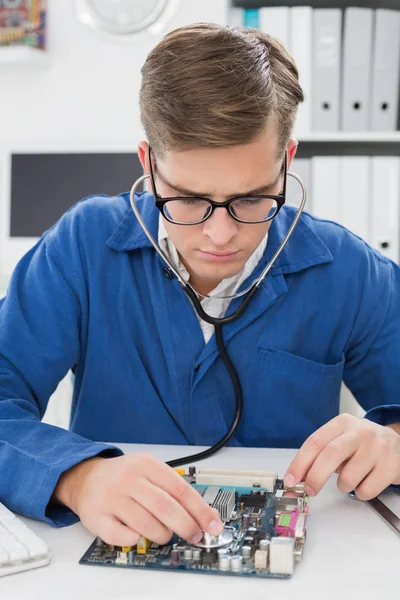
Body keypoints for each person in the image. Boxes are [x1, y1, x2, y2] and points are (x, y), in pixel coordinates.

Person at [0, 23, 399, 550]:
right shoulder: (82, 245)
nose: (220, 234)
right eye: (187, 199)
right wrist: (77, 477)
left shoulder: (349, 269)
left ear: (286, 164)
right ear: (148, 164)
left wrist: (393, 442)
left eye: (252, 198)